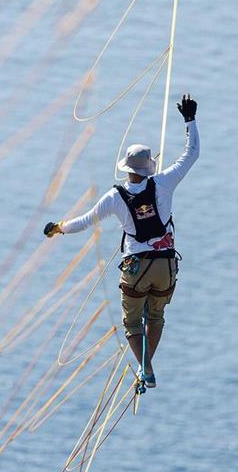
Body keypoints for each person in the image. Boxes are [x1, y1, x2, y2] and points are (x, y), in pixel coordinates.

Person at [44, 94, 199, 394]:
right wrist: (189, 120)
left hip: (136, 267)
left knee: (132, 323)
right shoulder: (164, 182)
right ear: (149, 167)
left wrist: (58, 228)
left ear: (126, 168)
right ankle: (146, 367)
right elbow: (190, 154)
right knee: (156, 316)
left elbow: (85, 221)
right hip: (166, 264)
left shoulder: (115, 198)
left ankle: (146, 367)